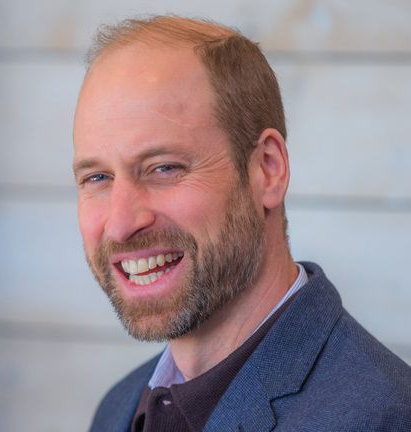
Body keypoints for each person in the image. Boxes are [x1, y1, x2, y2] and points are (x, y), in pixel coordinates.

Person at [73, 15, 411, 432]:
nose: (121, 224)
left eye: (163, 168)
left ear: (267, 171)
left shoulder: (383, 416)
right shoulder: (117, 408)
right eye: (97, 178)